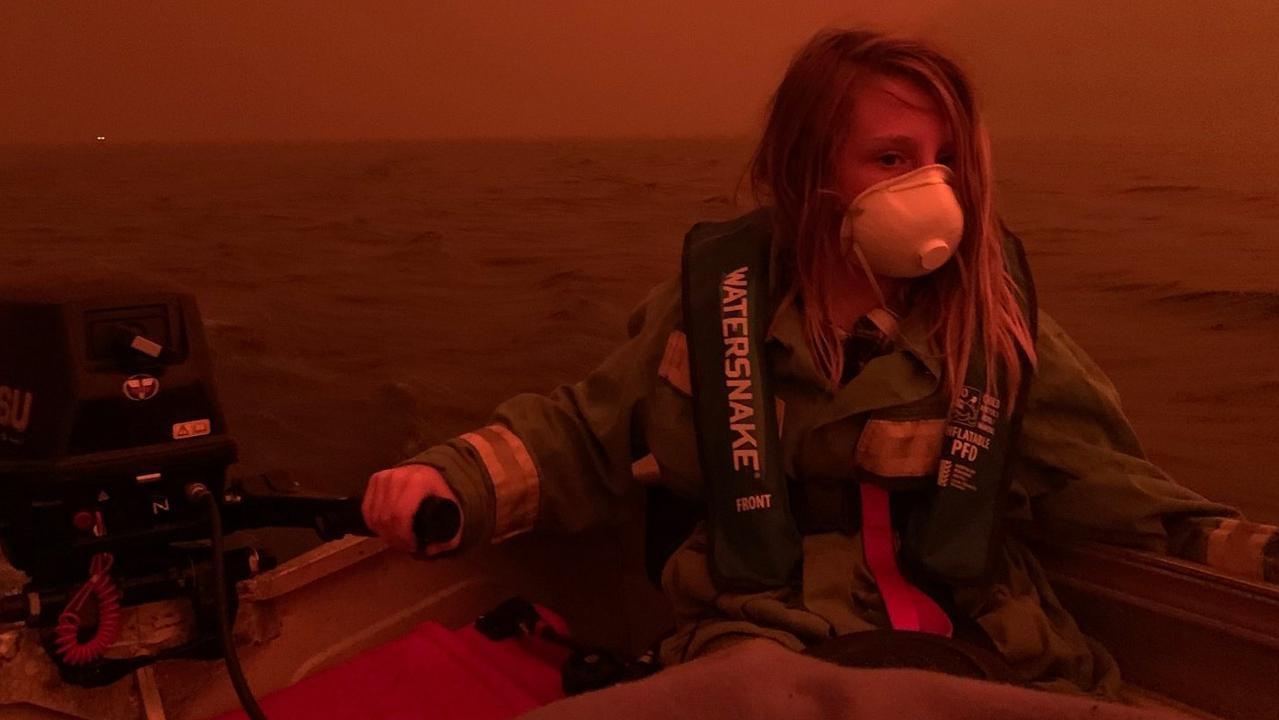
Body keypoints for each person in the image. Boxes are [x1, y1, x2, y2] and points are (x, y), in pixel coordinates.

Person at [362, 28, 1269, 697]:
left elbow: (1119, 494)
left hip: (987, 649)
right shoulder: (710, 311)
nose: (933, 188)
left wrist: (1250, 553)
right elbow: (583, 433)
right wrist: (452, 479)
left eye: (946, 160)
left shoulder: (995, 328)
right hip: (765, 647)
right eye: (891, 158)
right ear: (808, 170)